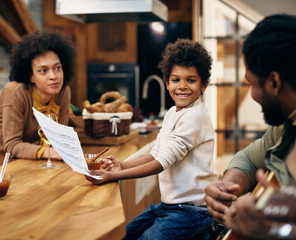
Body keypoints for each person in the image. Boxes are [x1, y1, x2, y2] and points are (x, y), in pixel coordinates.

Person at [204, 14, 296, 240]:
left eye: (251, 83)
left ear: (274, 83)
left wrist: (274, 231)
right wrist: (228, 187)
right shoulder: (289, 125)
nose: (252, 95)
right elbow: (249, 158)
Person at [86, 39, 217, 240]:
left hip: (192, 212)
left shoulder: (195, 116)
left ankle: (203, 235)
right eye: (175, 80)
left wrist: (114, 176)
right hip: (169, 206)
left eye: (191, 80)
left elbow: (160, 163)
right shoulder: (174, 112)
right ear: (167, 83)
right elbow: (157, 152)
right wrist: (123, 165)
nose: (182, 86)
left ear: (203, 85)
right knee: (125, 235)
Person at [0, 29, 75, 162]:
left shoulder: (63, 91)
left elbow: (60, 140)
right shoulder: (16, 92)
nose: (53, 76)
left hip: (1, 156)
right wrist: (49, 152)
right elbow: (12, 145)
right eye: (43, 71)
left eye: (57, 68)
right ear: (31, 76)